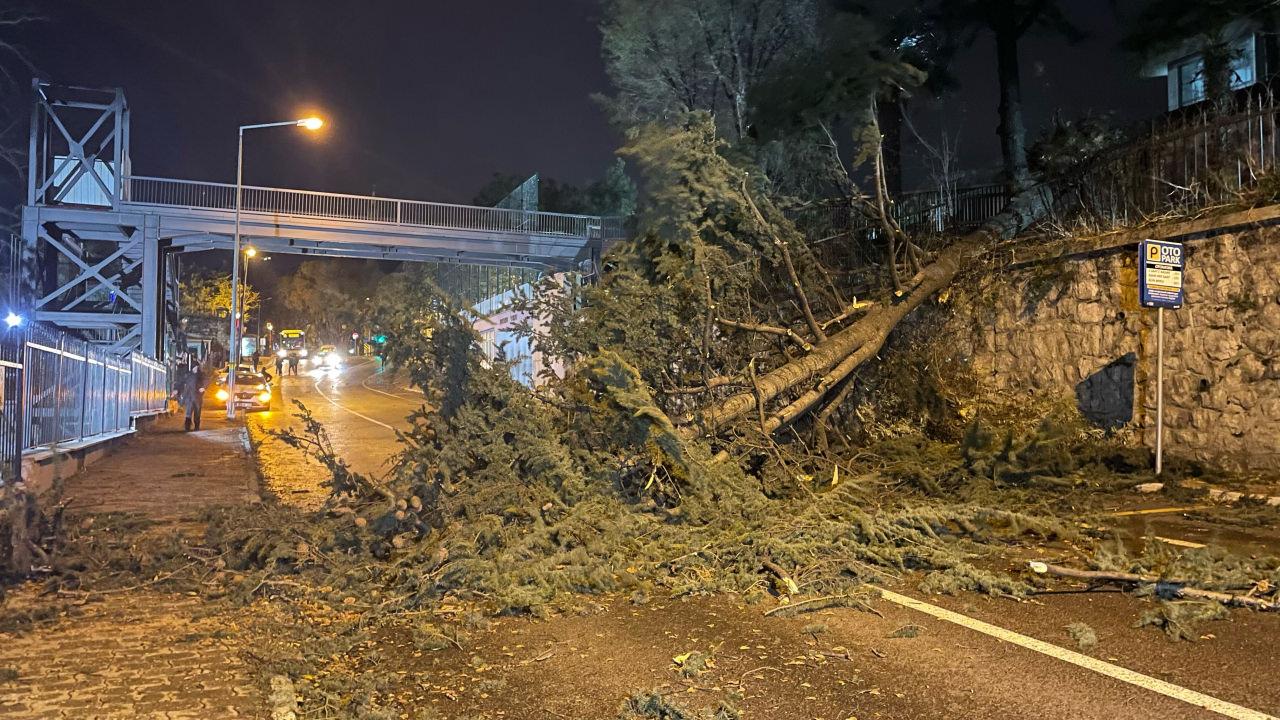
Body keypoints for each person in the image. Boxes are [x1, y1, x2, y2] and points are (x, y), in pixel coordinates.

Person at [178, 361, 206, 431]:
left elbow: (206, 381)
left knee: (197, 413)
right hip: (190, 398)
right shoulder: (188, 375)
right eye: (195, 367)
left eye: (197, 367)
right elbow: (182, 384)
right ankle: (187, 427)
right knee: (188, 413)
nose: (196, 368)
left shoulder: (201, 375)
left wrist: (203, 387)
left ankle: (196, 427)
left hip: (197, 398)